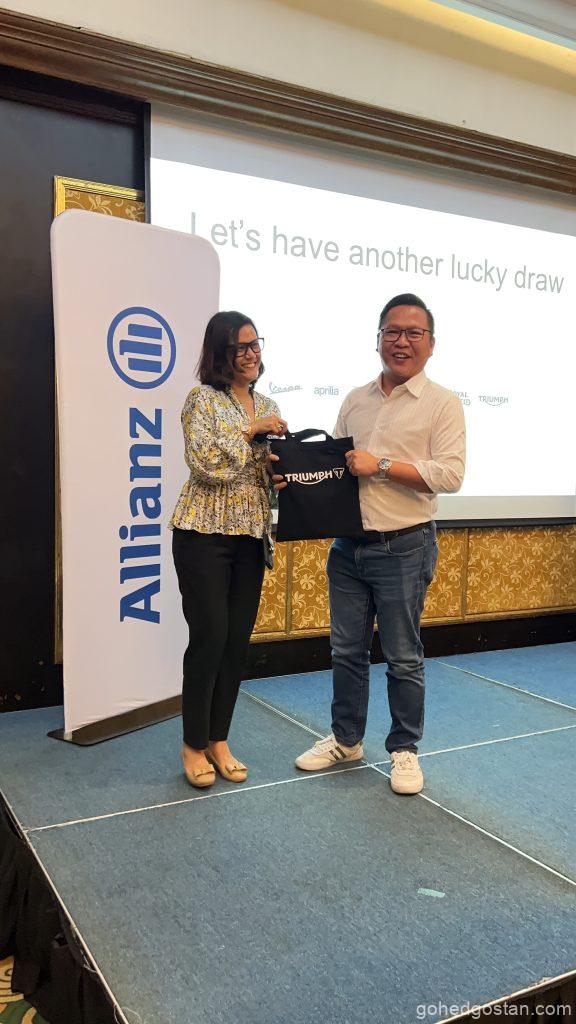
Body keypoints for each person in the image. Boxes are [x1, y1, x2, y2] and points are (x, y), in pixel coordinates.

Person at [285, 293, 466, 794]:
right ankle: (347, 739)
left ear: (431, 343)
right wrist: (294, 480)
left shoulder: (443, 403)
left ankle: (404, 749)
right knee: (346, 651)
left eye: (414, 333)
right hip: (348, 549)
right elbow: (335, 469)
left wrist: (381, 465)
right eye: (393, 332)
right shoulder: (355, 399)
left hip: (404, 547)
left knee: (403, 656)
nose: (402, 341)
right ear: (379, 338)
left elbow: (449, 475)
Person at [172, 311, 287, 788]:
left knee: (236, 643)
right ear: (221, 353)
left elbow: (261, 475)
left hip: (250, 537)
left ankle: (219, 739)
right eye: (241, 347)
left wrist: (278, 477)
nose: (251, 353)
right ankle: (193, 744)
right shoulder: (202, 399)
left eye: (256, 344)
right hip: (203, 534)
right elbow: (206, 464)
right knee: (210, 638)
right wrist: (251, 432)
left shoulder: (268, 403)